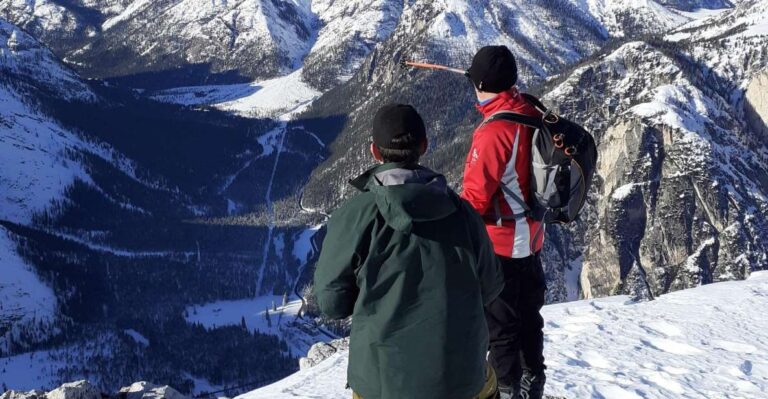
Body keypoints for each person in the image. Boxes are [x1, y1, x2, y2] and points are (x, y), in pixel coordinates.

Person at [314, 103, 504, 399]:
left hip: (382, 382)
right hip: (463, 381)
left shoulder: (356, 216)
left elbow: (332, 303)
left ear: (374, 152)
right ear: (425, 146)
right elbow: (490, 288)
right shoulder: (463, 213)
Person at [461, 46, 548, 399]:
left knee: (501, 328)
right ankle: (532, 383)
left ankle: (505, 390)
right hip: (533, 238)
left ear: (481, 84)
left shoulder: (494, 131)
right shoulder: (531, 110)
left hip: (501, 245)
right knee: (529, 318)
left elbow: (476, 197)